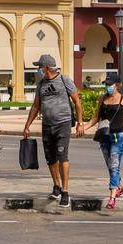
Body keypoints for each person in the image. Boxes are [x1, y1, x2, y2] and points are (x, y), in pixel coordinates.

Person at [77, 80, 123, 210]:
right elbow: (96, 117)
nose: (108, 87)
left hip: (118, 137)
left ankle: (112, 197)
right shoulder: (102, 98)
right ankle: (119, 187)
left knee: (114, 166)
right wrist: (84, 127)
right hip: (104, 137)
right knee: (110, 166)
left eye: (110, 85)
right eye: (106, 85)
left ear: (117, 86)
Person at [22, 54, 81, 206]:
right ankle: (57, 186)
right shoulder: (41, 84)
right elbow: (36, 105)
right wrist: (27, 125)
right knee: (50, 158)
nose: (38, 70)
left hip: (63, 123)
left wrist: (80, 123)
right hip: (47, 125)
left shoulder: (64, 80)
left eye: (39, 67)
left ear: (46, 67)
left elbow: (77, 101)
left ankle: (66, 192)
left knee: (63, 156)